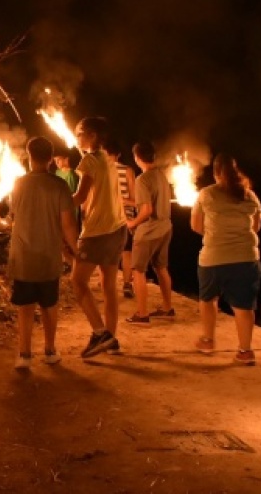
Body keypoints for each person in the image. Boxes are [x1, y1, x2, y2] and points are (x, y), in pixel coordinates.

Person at [5, 137, 79, 368]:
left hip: (24, 255)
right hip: (48, 256)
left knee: (25, 308)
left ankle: (24, 355)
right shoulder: (59, 185)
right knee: (49, 305)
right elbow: (67, 225)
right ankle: (50, 350)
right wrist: (76, 251)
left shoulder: (18, 184)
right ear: (50, 158)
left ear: (29, 156)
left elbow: (12, 216)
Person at [189, 153, 261, 364]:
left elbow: (195, 226)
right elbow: (256, 227)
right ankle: (245, 351)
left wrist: (216, 234)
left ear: (216, 173)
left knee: (208, 299)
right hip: (247, 258)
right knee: (244, 306)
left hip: (214, 257)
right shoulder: (250, 196)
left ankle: (208, 340)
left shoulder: (206, 194)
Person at [69, 116, 126, 358]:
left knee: (77, 281)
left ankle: (100, 332)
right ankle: (110, 340)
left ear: (92, 136)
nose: (76, 137)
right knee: (109, 286)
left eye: (80, 132)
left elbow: (79, 197)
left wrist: (53, 202)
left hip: (98, 231)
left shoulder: (90, 161)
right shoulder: (108, 160)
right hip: (118, 228)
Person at [125, 141, 176, 324]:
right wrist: (126, 202)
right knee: (161, 268)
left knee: (138, 271)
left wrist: (132, 223)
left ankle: (142, 313)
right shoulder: (162, 176)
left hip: (149, 232)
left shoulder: (142, 179)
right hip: (165, 228)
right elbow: (153, 203)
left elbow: (146, 210)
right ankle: (167, 308)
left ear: (137, 158)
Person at [103, 138, 138, 298]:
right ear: (118, 154)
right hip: (126, 219)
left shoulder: (99, 171)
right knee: (126, 252)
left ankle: (108, 284)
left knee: (107, 252)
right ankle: (126, 284)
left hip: (106, 218)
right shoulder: (128, 171)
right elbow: (135, 200)